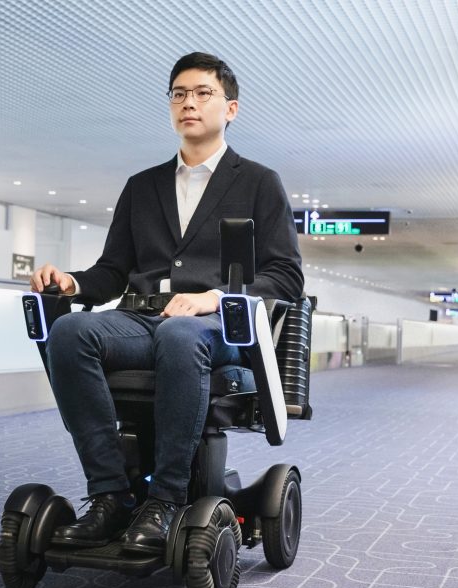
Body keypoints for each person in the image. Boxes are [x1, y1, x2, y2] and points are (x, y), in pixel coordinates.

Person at [29, 52, 303, 556]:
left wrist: (213, 299)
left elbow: (285, 275)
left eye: (203, 93)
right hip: (140, 321)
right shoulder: (143, 186)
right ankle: (110, 494)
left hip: (219, 330)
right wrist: (72, 283)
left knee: (180, 335)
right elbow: (112, 271)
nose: (188, 103)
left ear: (231, 108)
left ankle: (165, 501)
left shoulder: (259, 182)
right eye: (178, 94)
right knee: (69, 333)